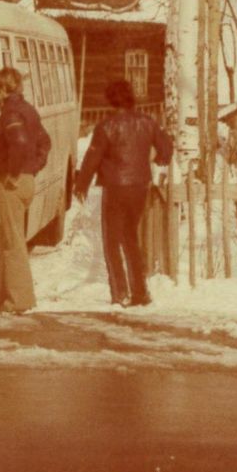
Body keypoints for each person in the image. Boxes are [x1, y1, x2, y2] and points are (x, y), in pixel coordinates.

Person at [74, 79, 173, 308]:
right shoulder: (148, 122)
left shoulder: (106, 127)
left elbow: (92, 158)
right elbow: (166, 147)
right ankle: (140, 292)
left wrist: (81, 184)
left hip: (115, 187)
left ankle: (120, 293)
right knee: (131, 238)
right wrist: (157, 161)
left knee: (112, 241)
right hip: (139, 187)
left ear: (111, 99)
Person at [0, 67, 51, 314]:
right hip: (25, 179)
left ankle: (18, 300)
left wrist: (13, 173)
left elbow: (19, 143)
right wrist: (32, 169)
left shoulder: (11, 113)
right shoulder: (28, 110)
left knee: (13, 244)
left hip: (11, 182)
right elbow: (45, 142)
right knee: (5, 240)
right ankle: (0, 297)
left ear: (2, 88)